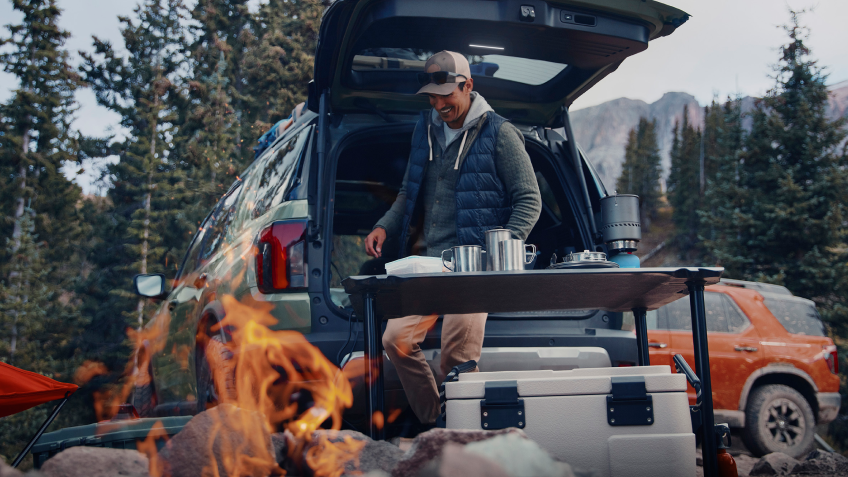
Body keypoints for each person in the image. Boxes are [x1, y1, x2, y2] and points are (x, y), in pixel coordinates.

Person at [364, 51, 542, 424]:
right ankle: (436, 423)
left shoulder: (500, 133)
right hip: (429, 265)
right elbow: (408, 192)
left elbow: (529, 200)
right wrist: (384, 225)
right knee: (395, 340)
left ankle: (461, 432)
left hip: (473, 270)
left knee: (457, 362)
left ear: (468, 85)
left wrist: (499, 252)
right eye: (432, 96)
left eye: (446, 95)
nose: (439, 104)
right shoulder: (425, 130)